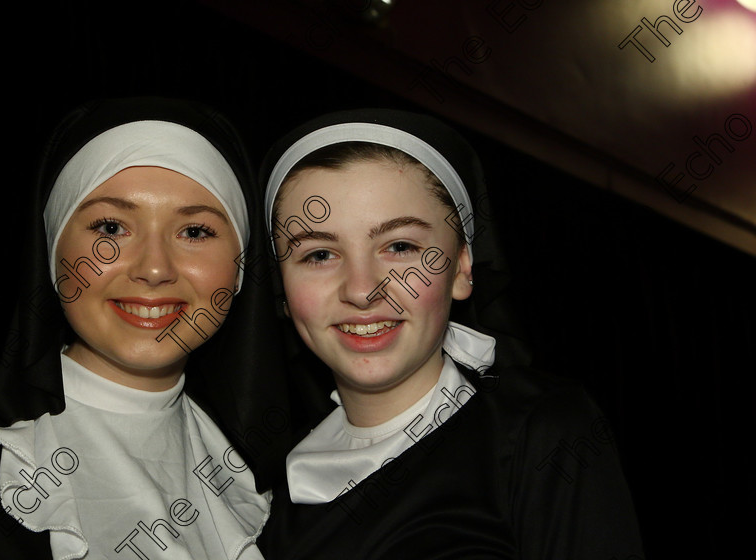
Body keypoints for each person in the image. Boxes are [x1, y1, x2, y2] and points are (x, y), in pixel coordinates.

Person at [257, 109, 645, 559]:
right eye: (320, 254)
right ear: (281, 289)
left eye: (400, 247)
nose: (362, 289)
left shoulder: (539, 433)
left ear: (461, 267)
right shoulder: (263, 487)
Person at [0, 97, 291, 559]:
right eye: (111, 227)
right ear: (53, 253)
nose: (154, 269)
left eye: (194, 232)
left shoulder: (273, 481)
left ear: (240, 271)